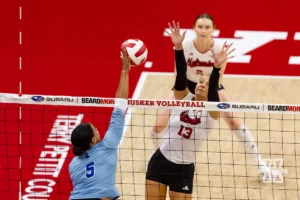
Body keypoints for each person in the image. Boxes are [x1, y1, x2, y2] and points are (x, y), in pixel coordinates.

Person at [151, 14, 276, 179]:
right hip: (185, 86)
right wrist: (187, 96)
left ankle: (261, 166)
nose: (203, 30)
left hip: (211, 87)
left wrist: (205, 92)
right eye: (200, 27)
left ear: (214, 30)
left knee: (233, 121)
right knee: (159, 125)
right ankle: (157, 158)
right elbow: (178, 74)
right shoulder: (185, 45)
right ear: (194, 28)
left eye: (207, 27)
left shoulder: (218, 50)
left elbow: (219, 79)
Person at [145, 21, 234, 200]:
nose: (202, 85)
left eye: (207, 85)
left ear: (212, 91)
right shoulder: (183, 99)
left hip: (184, 169)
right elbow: (180, 76)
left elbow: (214, 88)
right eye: (201, 82)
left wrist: (216, 68)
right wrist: (178, 48)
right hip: (160, 161)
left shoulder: (211, 113)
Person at [68, 48, 131, 200]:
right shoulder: (107, 146)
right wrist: (125, 71)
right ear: (93, 140)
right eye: (94, 129)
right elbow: (119, 108)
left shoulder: (73, 165)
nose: (97, 128)